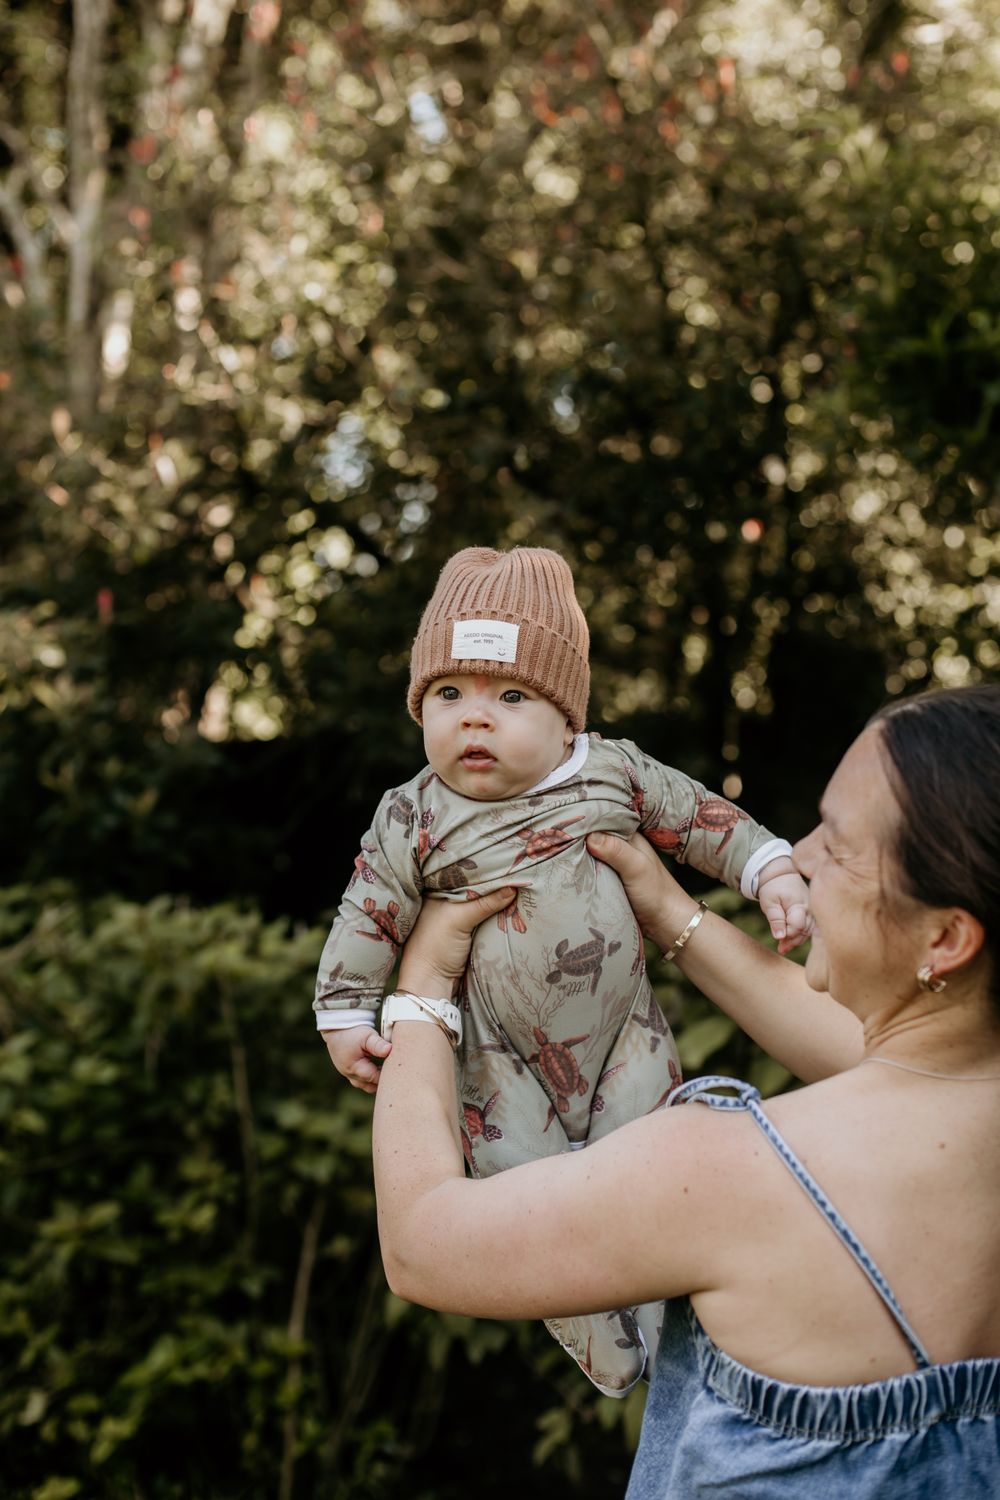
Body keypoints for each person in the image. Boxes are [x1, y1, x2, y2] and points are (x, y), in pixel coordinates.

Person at [373, 684, 1000, 1494]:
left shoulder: (734, 1172)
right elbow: (860, 1048)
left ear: (945, 938)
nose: (798, 854)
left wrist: (423, 983)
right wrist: (667, 907)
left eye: (837, 846)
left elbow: (424, 1247)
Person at [315, 545, 811, 1394]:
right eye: (448, 695)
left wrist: (768, 868)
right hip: (496, 1056)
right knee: (524, 1193)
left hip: (622, 1033)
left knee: (651, 1166)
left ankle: (668, 1328)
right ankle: (605, 1348)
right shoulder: (414, 813)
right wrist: (345, 1010)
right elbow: (370, 907)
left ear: (567, 717)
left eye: (510, 696)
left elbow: (700, 818)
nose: (476, 719)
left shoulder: (614, 772)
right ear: (418, 708)